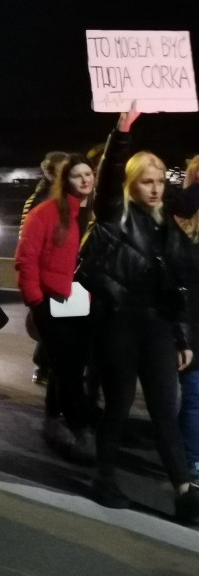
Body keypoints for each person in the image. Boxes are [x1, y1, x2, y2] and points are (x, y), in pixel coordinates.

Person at [76, 104, 199, 523]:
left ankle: (184, 492)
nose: (155, 189)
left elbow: (177, 286)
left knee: (166, 410)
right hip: (119, 325)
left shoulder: (166, 226)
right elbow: (108, 174)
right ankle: (104, 478)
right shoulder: (113, 214)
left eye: (160, 181)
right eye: (146, 182)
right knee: (120, 405)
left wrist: (182, 337)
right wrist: (122, 131)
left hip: (158, 328)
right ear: (130, 185)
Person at [15, 154, 96, 462]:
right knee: (68, 367)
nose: (85, 180)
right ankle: (78, 427)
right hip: (52, 300)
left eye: (89, 174)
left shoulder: (90, 212)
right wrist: (36, 300)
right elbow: (26, 258)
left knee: (72, 365)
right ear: (66, 181)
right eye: (78, 176)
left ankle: (59, 419)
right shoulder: (45, 213)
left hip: (80, 300)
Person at [20, 151, 68, 389]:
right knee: (53, 323)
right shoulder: (39, 201)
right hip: (47, 273)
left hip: (66, 271)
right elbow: (27, 243)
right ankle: (45, 367)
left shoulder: (68, 198)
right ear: (50, 173)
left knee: (63, 322)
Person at [172, 154, 199, 484]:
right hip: (190, 326)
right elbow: (174, 209)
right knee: (193, 396)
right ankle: (191, 459)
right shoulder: (181, 232)